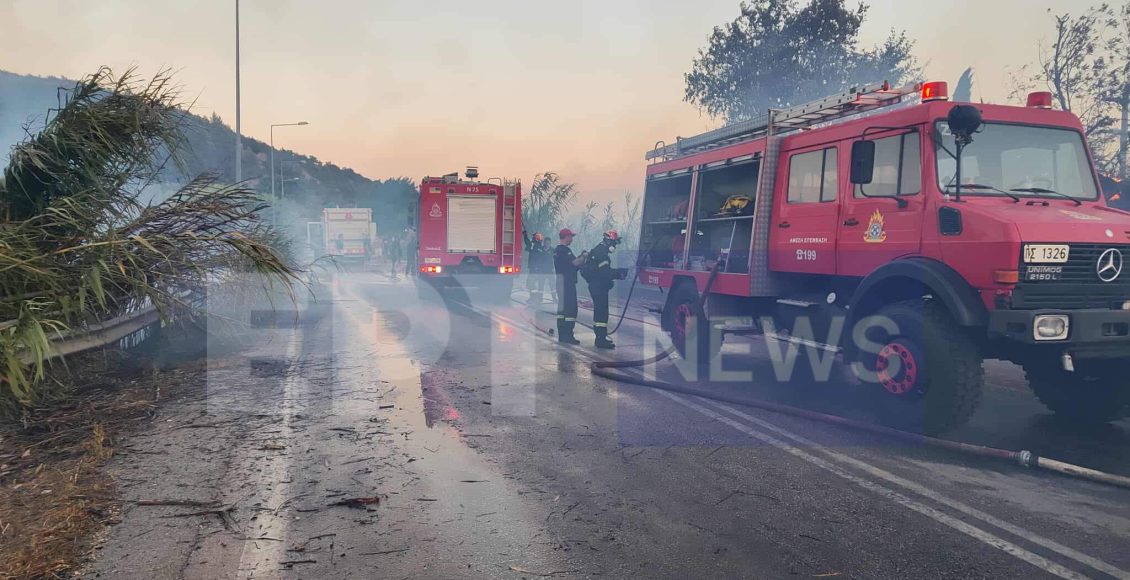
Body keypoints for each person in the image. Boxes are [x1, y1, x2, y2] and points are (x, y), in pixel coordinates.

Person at [586, 230, 620, 349]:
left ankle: (600, 337)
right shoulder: (602, 253)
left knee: (600, 312)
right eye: (614, 243)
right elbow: (605, 273)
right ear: (608, 241)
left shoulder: (598, 250)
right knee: (601, 313)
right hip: (598, 287)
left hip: (596, 286)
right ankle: (600, 340)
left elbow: (601, 272)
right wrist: (619, 273)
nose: (614, 246)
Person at [553, 228, 587, 345]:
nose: (572, 239)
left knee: (562, 309)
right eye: (570, 236)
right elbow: (575, 263)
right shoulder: (564, 250)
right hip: (567, 283)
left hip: (560, 282)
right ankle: (568, 335)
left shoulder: (558, 250)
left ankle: (562, 335)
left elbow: (570, 264)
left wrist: (579, 258)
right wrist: (584, 256)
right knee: (570, 309)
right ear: (565, 237)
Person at [523, 230, 551, 305]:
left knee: (531, 283)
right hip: (537, 269)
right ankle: (535, 298)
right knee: (532, 284)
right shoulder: (539, 247)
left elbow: (528, 243)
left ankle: (534, 298)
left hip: (534, 269)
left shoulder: (534, 246)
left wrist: (525, 235)